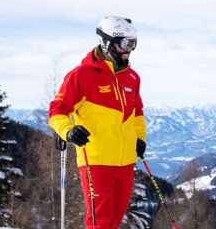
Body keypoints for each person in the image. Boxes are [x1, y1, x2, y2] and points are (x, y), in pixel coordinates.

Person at [48, 16, 146, 229]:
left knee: (114, 221)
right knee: (99, 222)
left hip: (126, 162)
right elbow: (57, 109)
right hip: (97, 161)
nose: (129, 50)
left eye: (133, 43)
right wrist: (69, 131)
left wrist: (140, 138)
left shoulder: (132, 78)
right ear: (107, 43)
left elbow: (137, 112)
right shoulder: (81, 76)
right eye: (125, 44)